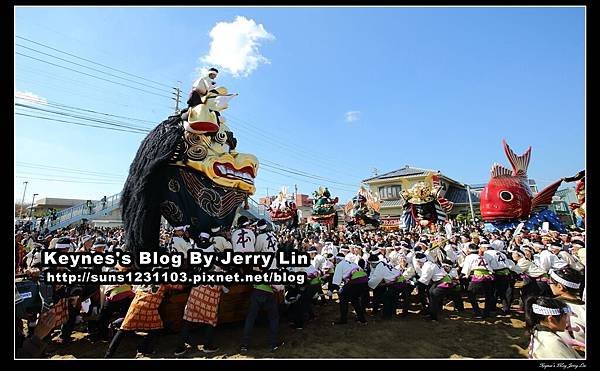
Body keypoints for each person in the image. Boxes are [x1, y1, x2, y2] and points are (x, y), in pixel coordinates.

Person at [547, 268, 585, 353]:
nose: (549, 284)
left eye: (550, 282)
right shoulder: (583, 307)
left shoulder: (553, 307)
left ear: (560, 286)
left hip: (562, 351)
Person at [331, 253, 368, 325]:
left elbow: (336, 281)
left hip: (356, 281)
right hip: (364, 280)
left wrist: (330, 291)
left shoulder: (339, 265)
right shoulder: (351, 263)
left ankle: (343, 319)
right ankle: (362, 319)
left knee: (343, 297)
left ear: (338, 259)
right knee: (355, 299)